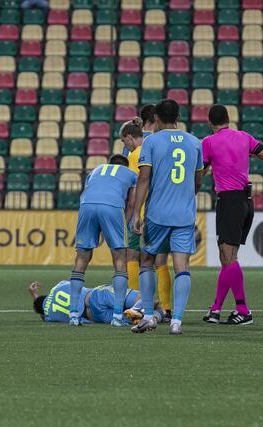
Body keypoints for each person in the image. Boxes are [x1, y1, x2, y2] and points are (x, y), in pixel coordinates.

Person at [131, 99, 203, 335]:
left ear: (158, 119)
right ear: (178, 117)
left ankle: (150, 317)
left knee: (148, 261)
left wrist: (136, 213)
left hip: (157, 214)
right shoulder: (194, 142)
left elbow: (143, 179)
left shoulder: (152, 141)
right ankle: (177, 321)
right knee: (182, 266)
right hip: (184, 215)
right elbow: (198, 180)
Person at [201, 104, 263, 326]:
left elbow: (201, 170)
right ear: (229, 119)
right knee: (228, 258)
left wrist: (213, 167)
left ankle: (243, 309)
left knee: (228, 257)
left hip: (229, 202)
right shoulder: (244, 136)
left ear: (210, 123)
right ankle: (216, 310)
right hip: (246, 201)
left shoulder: (209, 142)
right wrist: (245, 152)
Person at [69, 154, 137, 327]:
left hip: (86, 205)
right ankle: (117, 316)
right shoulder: (130, 174)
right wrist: (126, 223)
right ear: (125, 165)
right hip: (112, 207)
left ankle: (74, 314)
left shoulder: (96, 170)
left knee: (82, 257)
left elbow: (86, 191)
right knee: (120, 258)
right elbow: (131, 204)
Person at [120, 109, 174, 318]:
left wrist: (131, 215)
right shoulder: (166, 144)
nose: (125, 146)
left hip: (142, 213)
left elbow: (136, 186)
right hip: (165, 211)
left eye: (125, 142)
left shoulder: (137, 153)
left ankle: (137, 303)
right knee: (161, 261)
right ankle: (167, 308)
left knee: (133, 257)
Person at [28, 281, 165, 325]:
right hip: (95, 297)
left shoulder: (48, 316)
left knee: (148, 317)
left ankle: (155, 318)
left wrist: (35, 297)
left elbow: (42, 312)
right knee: (151, 300)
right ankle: (138, 308)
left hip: (95, 316)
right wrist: (35, 293)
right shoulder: (58, 286)